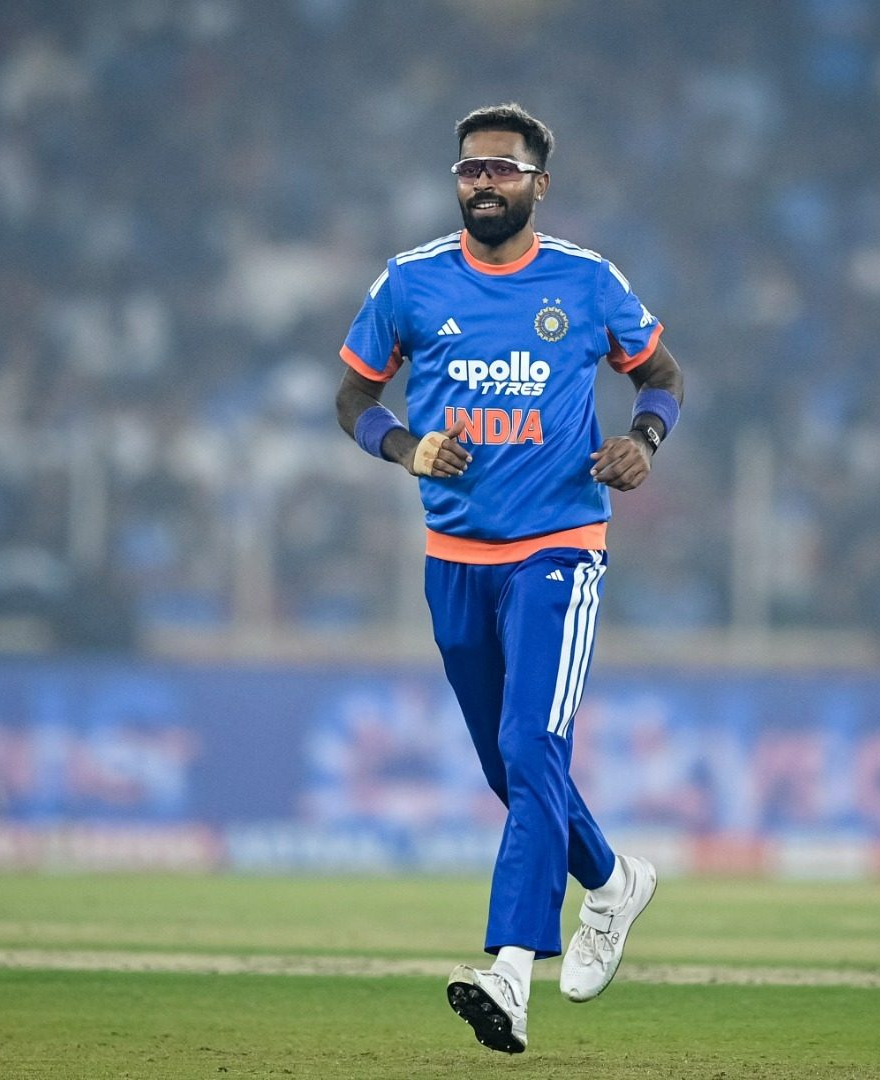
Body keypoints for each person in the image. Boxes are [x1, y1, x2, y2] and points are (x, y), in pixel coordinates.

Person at [334, 102, 685, 1054]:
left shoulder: (587, 280)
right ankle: (612, 882)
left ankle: (508, 973)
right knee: (508, 765)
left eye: (501, 168)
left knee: (531, 745)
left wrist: (645, 440)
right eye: (469, 169)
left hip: (558, 548)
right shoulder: (409, 282)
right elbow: (354, 395)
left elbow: (662, 377)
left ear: (539, 184)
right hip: (454, 559)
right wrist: (405, 447)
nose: (483, 182)